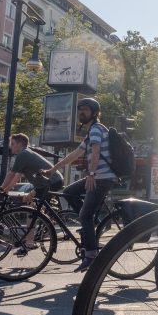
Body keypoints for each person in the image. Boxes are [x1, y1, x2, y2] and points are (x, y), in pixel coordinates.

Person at [50, 97, 117, 271]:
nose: (81, 112)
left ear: (94, 113)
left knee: (84, 216)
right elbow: (75, 154)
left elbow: (95, 152)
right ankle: (90, 224)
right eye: (80, 109)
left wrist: (91, 174)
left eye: (86, 110)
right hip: (100, 176)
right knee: (69, 192)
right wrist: (52, 169)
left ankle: (91, 255)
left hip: (102, 177)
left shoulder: (96, 129)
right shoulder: (91, 132)